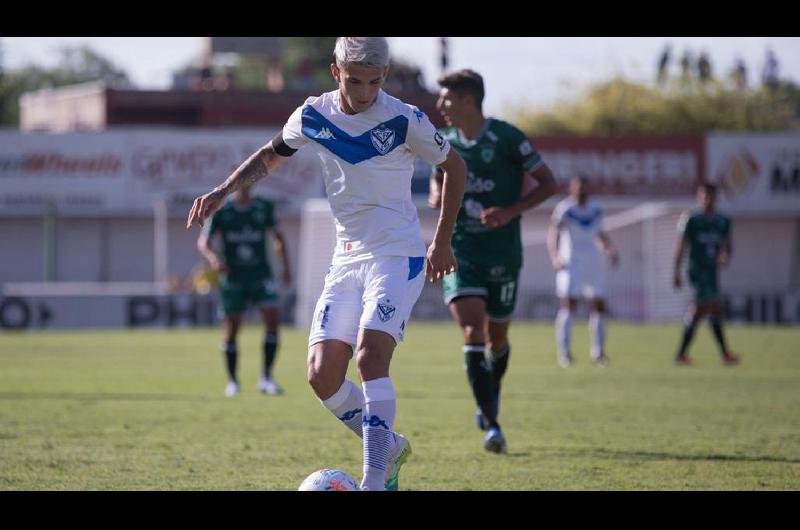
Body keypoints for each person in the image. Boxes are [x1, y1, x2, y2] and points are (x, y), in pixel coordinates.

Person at [187, 37, 466, 491]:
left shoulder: (403, 118)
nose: (365, 92)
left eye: (375, 82)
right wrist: (221, 191)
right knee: (321, 375)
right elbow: (270, 156)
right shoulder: (313, 115)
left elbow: (456, 168)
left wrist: (442, 240)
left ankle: (375, 481)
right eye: (355, 81)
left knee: (371, 355)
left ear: (385, 77)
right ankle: (389, 447)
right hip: (346, 258)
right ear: (337, 73)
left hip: (397, 255)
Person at [429, 69, 557, 454]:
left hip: (503, 252)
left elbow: (548, 183)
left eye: (446, 99)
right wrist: (437, 191)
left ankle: (491, 389)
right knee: (473, 333)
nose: (440, 107)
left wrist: (510, 211)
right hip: (462, 250)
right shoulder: (443, 141)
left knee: (497, 340)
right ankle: (493, 425)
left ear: (468, 101)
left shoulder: (507, 138)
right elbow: (439, 175)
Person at [197, 184, 291, 397]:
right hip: (233, 276)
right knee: (231, 329)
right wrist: (214, 260)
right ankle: (232, 381)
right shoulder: (222, 209)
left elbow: (278, 238)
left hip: (261, 274)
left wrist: (286, 267)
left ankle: (267, 378)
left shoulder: (264, 207)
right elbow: (204, 242)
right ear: (234, 185)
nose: (246, 187)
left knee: (273, 320)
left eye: (250, 181)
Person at [547, 176, 618, 368]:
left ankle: (599, 352)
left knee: (599, 304)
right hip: (571, 261)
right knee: (569, 304)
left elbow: (599, 232)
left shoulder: (596, 208)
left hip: (593, 261)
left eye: (584, 188)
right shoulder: (564, 209)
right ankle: (565, 353)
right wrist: (555, 256)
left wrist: (609, 248)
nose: (581, 191)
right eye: (578, 188)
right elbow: (553, 233)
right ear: (572, 189)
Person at [673, 182, 741, 366]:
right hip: (696, 271)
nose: (707, 199)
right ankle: (722, 354)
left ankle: (683, 355)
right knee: (706, 307)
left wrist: (726, 256)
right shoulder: (691, 219)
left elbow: (728, 245)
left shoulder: (723, 221)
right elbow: (681, 246)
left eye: (710, 195)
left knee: (710, 310)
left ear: (716, 197)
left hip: (712, 272)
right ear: (698, 196)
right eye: (703, 195)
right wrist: (676, 271)